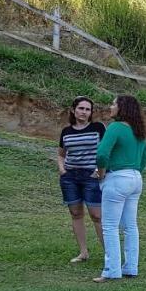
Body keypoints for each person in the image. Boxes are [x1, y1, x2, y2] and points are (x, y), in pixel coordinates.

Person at [93, 95, 146, 283]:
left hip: (117, 178)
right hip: (135, 179)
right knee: (130, 226)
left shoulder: (115, 128)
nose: (111, 106)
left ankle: (111, 270)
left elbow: (101, 154)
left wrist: (101, 173)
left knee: (109, 226)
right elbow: (144, 160)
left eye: (114, 103)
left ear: (122, 108)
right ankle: (131, 267)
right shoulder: (139, 131)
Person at [58, 96, 105, 263]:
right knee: (76, 213)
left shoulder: (98, 128)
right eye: (81, 108)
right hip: (70, 177)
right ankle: (83, 252)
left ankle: (110, 255)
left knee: (97, 215)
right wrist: (62, 169)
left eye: (87, 109)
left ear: (91, 113)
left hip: (91, 176)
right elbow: (61, 154)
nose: (84, 112)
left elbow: (106, 150)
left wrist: (100, 171)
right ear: (73, 110)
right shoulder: (66, 132)